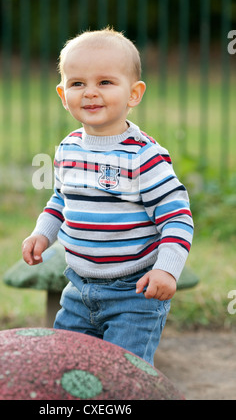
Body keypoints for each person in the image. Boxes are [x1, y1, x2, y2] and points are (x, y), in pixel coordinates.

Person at [22, 28, 193, 365]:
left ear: (134, 93)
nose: (90, 93)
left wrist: (167, 270)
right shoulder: (68, 148)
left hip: (134, 293)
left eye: (105, 83)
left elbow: (177, 217)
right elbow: (61, 200)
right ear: (62, 94)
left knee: (122, 376)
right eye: (77, 83)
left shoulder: (144, 156)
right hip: (77, 290)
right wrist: (42, 233)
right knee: (70, 370)